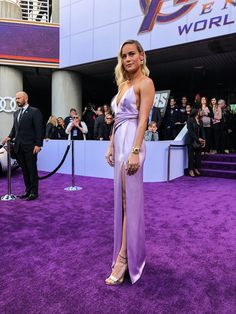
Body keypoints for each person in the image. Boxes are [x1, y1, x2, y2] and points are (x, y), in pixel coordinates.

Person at [105, 39, 155, 285]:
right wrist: (111, 144)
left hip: (133, 145)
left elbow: (143, 119)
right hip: (121, 142)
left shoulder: (146, 83)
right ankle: (129, 252)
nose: (127, 59)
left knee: (129, 202)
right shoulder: (123, 84)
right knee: (122, 203)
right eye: (124, 55)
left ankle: (124, 258)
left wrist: (135, 151)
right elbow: (117, 119)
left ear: (142, 56)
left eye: (132, 54)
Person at [2, 91, 44, 200]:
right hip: (18, 147)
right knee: (24, 170)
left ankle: (34, 193)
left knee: (31, 170)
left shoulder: (35, 112)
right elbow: (14, 128)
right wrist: (9, 137)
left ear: (26, 98)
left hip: (31, 147)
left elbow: (39, 129)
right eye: (16, 99)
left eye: (19, 98)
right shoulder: (16, 113)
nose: (17, 100)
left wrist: (38, 144)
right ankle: (28, 190)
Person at [185, 109, 205, 177]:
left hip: (198, 141)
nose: (201, 112)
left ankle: (196, 168)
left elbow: (202, 131)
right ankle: (190, 169)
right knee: (191, 156)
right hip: (190, 140)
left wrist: (204, 140)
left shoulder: (200, 121)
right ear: (196, 112)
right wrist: (197, 138)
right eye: (200, 111)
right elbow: (190, 131)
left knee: (198, 155)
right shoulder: (190, 120)